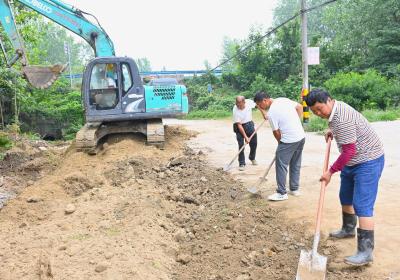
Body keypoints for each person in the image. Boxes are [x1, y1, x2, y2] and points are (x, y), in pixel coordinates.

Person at [304, 88, 384, 266]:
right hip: (353, 161)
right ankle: (348, 229)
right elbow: (344, 133)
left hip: (368, 160)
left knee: (362, 205)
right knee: (345, 197)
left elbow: (349, 150)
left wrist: (330, 171)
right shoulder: (335, 111)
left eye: (319, 109)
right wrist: (333, 131)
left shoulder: (342, 118)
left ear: (329, 100)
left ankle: (365, 252)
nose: (318, 113)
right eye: (314, 111)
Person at [253, 91, 305, 201]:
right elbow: (299, 107)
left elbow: (276, 132)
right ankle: (294, 189)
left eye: (259, 104)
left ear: (265, 101)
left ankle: (282, 192)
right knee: (295, 163)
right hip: (300, 136)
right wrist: (296, 123)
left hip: (288, 140)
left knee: (281, 164)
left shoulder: (272, 113)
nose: (260, 107)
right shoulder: (282, 99)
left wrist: (280, 143)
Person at [232, 96, 258, 171]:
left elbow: (258, 105)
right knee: (241, 145)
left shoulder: (249, 103)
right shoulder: (235, 109)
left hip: (249, 124)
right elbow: (239, 125)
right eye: (237, 104)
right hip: (239, 126)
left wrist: (264, 114)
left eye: (240, 104)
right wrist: (246, 137)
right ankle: (242, 163)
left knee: (254, 143)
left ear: (244, 102)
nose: (238, 106)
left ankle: (252, 158)